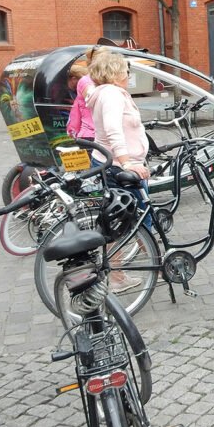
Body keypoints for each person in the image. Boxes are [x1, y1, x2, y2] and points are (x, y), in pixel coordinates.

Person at [86, 50, 151, 291]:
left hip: (111, 164)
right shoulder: (112, 94)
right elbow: (114, 131)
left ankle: (148, 265)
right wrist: (127, 163)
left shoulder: (104, 93)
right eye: (125, 69)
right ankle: (125, 274)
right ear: (114, 73)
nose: (128, 74)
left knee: (118, 221)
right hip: (117, 168)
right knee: (135, 220)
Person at [66, 48, 97, 139]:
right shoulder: (85, 82)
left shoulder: (90, 81)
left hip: (91, 133)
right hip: (90, 134)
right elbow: (94, 98)